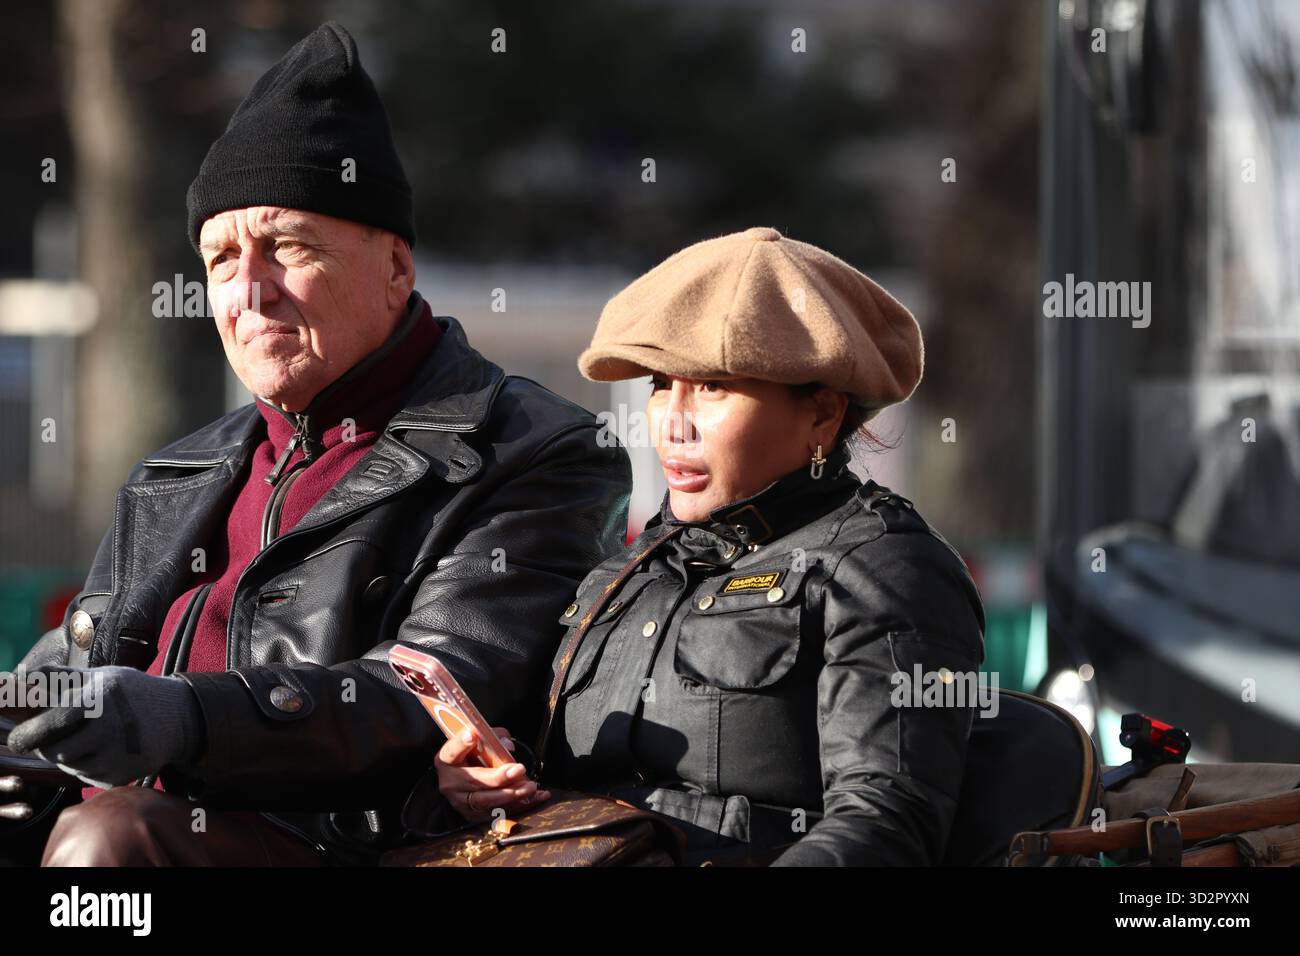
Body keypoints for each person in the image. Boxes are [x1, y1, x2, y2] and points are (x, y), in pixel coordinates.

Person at [0, 21, 630, 866]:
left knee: (112, 841)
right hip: (101, 828)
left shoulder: (532, 447)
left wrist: (184, 718)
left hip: (352, 849)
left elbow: (432, 692)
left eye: (286, 246)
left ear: (396, 269)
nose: (248, 291)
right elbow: (65, 674)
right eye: (221, 258)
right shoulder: (176, 471)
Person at [425, 227, 987, 865]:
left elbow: (887, 825)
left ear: (824, 414)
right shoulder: (626, 571)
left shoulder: (887, 565)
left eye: (714, 386)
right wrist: (494, 779)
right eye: (662, 383)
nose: (672, 421)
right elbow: (575, 782)